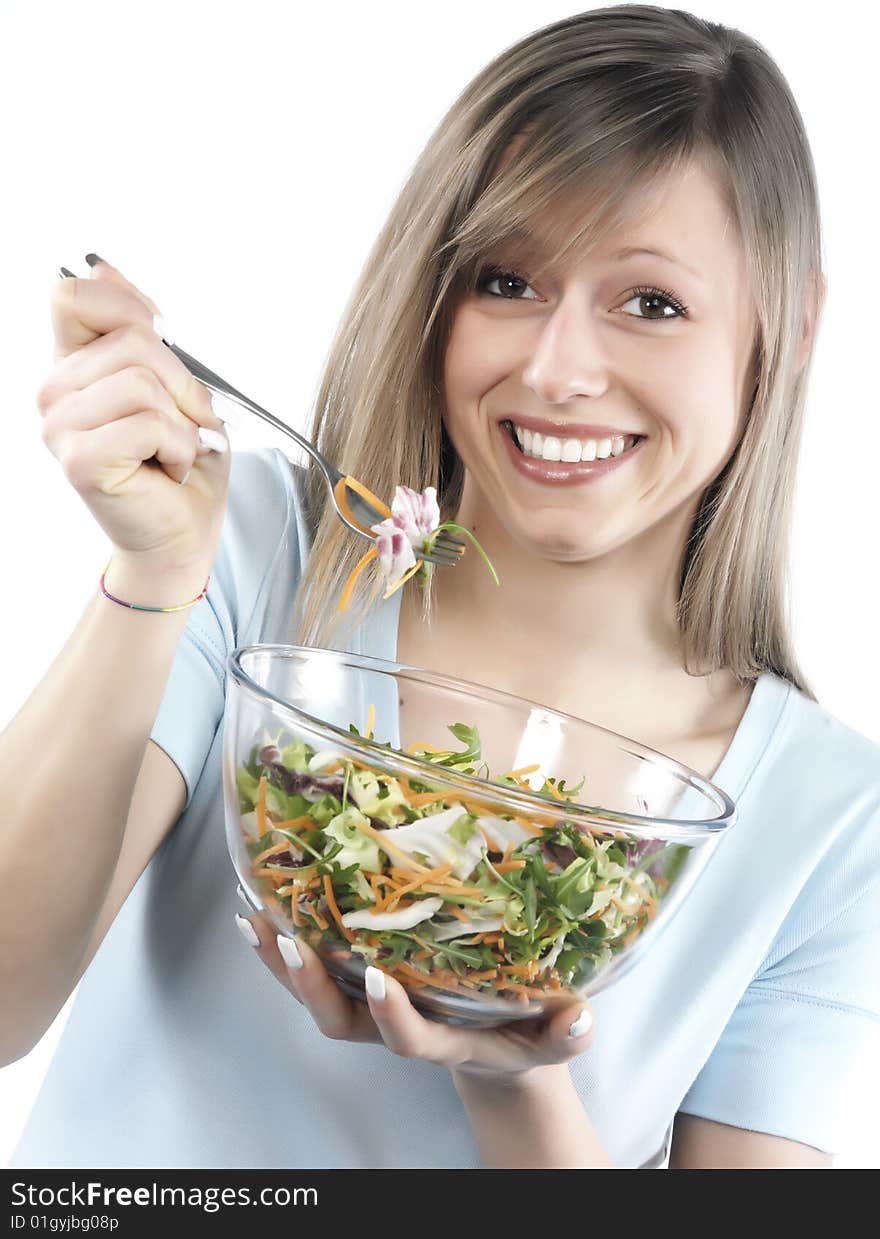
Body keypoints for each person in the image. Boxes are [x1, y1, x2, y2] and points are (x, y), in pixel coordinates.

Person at [3, 4, 878, 1171]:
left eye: (651, 303)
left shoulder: (827, 819)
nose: (559, 369)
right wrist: (155, 573)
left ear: (792, 323)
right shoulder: (256, 548)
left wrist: (511, 1085)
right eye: (507, 281)